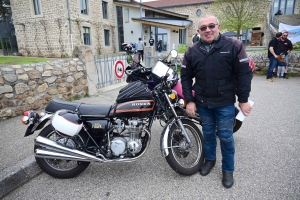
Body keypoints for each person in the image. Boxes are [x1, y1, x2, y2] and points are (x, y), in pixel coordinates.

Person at [181, 14, 253, 188]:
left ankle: (228, 170)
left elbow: (243, 74)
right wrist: (189, 101)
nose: (208, 30)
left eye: (211, 26)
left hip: (224, 103)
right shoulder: (192, 51)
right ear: (198, 31)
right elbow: (185, 77)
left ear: (218, 26)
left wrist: (243, 100)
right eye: (203, 28)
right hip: (203, 103)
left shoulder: (234, 46)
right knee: (208, 134)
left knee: (226, 137)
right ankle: (210, 160)